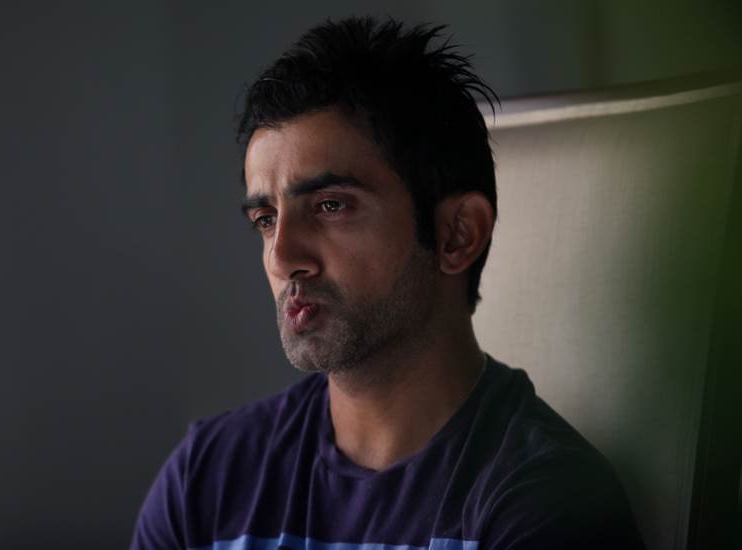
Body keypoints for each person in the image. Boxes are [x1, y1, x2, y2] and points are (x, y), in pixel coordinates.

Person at [131, 16, 645, 550]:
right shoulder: (205, 482)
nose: (282, 257)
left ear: (457, 235)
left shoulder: (549, 504)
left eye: (330, 206)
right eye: (266, 219)